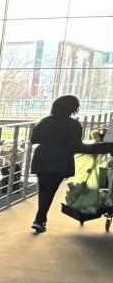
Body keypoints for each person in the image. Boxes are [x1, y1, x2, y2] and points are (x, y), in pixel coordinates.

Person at [29, 95, 113, 233]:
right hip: (60, 158)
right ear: (73, 109)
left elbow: (34, 139)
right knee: (50, 191)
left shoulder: (45, 121)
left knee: (44, 189)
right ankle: (39, 219)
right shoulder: (73, 125)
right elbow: (77, 147)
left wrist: (50, 139)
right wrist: (97, 147)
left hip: (42, 156)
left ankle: (41, 220)